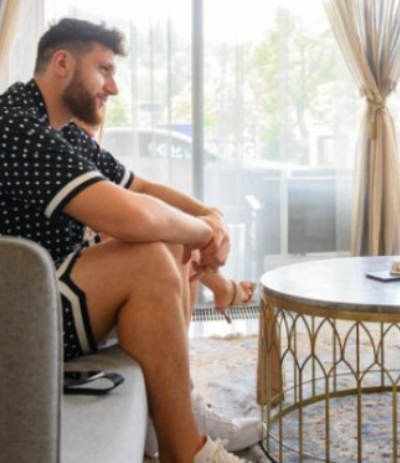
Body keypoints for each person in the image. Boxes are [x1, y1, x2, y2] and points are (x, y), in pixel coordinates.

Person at [0, 18, 253, 463]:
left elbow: (141, 188)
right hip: (18, 314)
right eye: (104, 70)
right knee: (150, 257)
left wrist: (209, 215)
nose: (114, 88)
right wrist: (205, 232)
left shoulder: (64, 130)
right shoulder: (15, 125)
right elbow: (133, 217)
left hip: (43, 291)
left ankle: (175, 408)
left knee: (170, 240)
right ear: (62, 63)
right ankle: (187, 453)